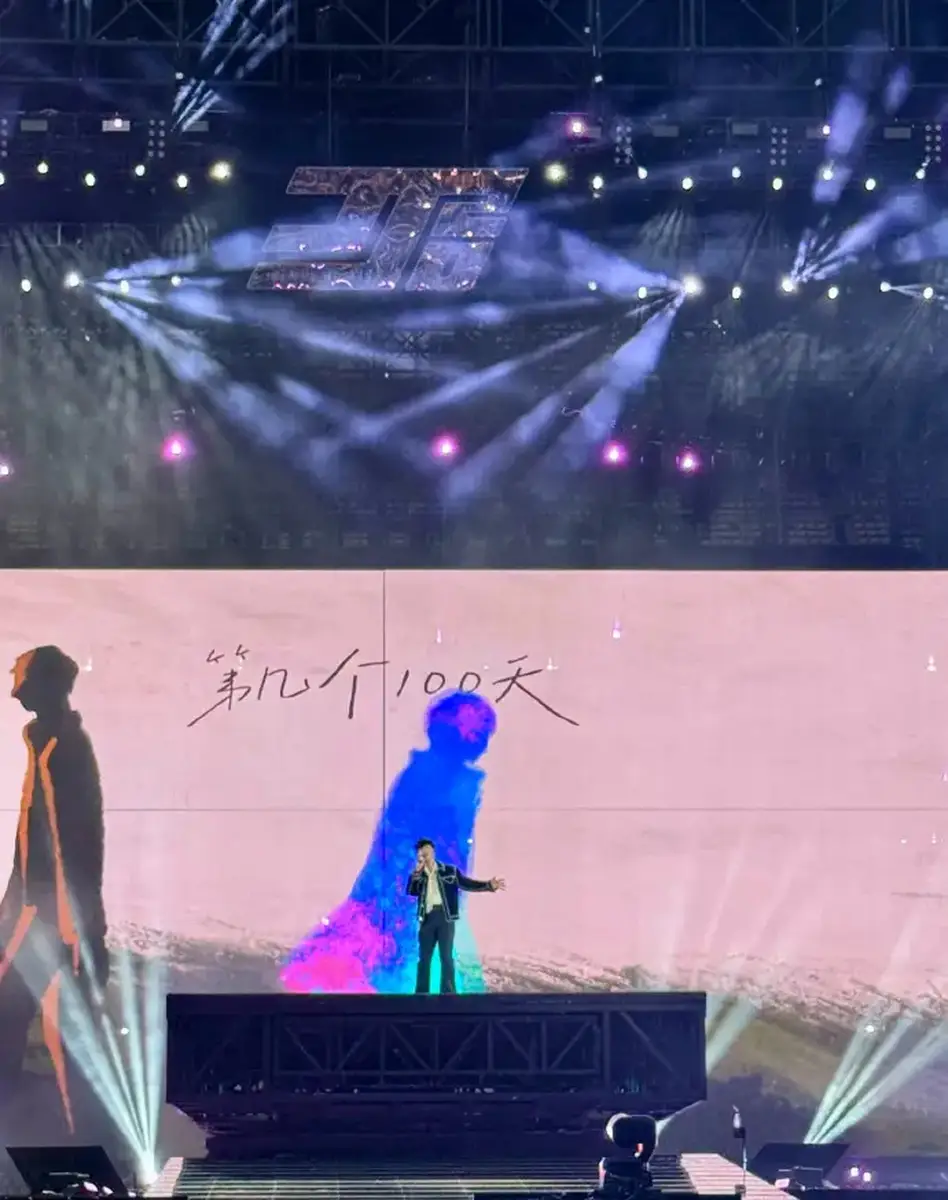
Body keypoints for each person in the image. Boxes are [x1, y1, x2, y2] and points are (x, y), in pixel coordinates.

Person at [0, 646, 109, 1132]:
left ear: (46, 683)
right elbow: (32, 843)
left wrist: (78, 929)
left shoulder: (65, 748)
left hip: (57, 919)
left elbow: (76, 843)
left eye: (21, 677)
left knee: (58, 1028)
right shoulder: (45, 742)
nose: (14, 689)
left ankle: (80, 1132)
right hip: (36, 913)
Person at [407, 836, 504, 995]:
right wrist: (416, 873)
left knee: (446, 957)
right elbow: (411, 891)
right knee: (424, 958)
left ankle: (448, 993)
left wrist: (488, 885)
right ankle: (421, 994)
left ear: (433, 852)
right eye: (422, 852)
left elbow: (467, 883)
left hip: (445, 917)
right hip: (427, 918)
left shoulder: (449, 871)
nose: (425, 854)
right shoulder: (419, 875)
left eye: (428, 850)